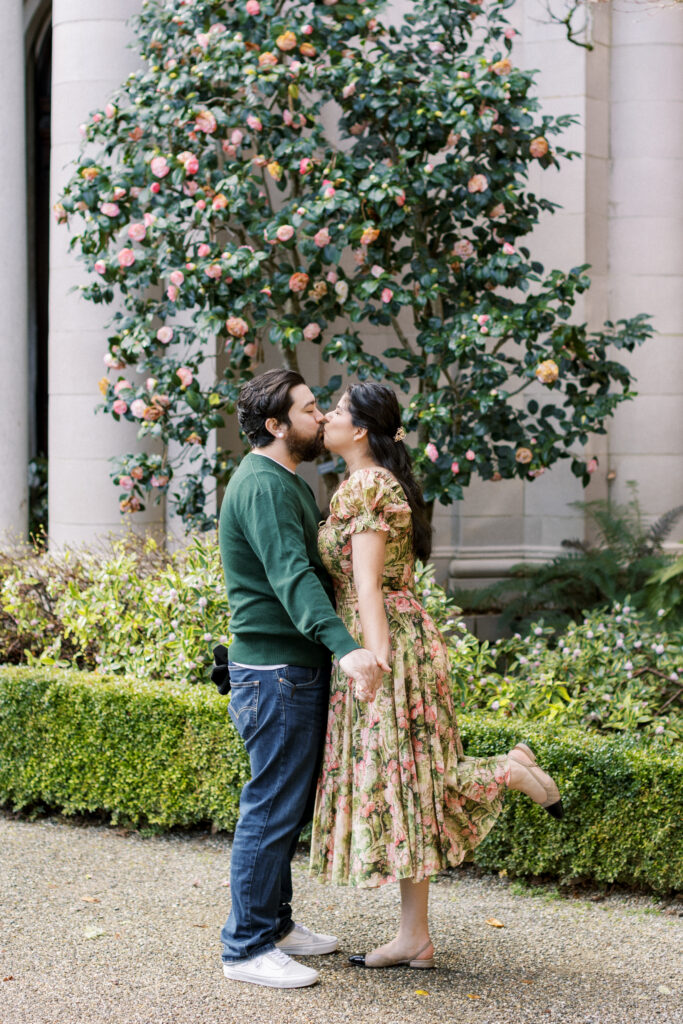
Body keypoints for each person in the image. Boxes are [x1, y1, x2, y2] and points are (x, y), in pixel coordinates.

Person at [310, 382, 563, 969]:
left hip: (387, 645)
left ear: (363, 430)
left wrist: (370, 662)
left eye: (338, 410)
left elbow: (369, 585)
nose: (326, 416)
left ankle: (507, 771)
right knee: (407, 786)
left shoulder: (369, 484)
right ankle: (415, 937)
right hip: (388, 637)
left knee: (408, 780)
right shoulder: (359, 482)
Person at [218, 368, 388, 990]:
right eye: (310, 408)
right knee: (269, 807)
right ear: (276, 424)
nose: (320, 416)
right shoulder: (263, 486)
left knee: (284, 806)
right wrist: (346, 648)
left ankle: (276, 924)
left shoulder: (286, 480)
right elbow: (292, 576)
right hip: (274, 671)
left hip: (287, 668)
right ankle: (245, 947)